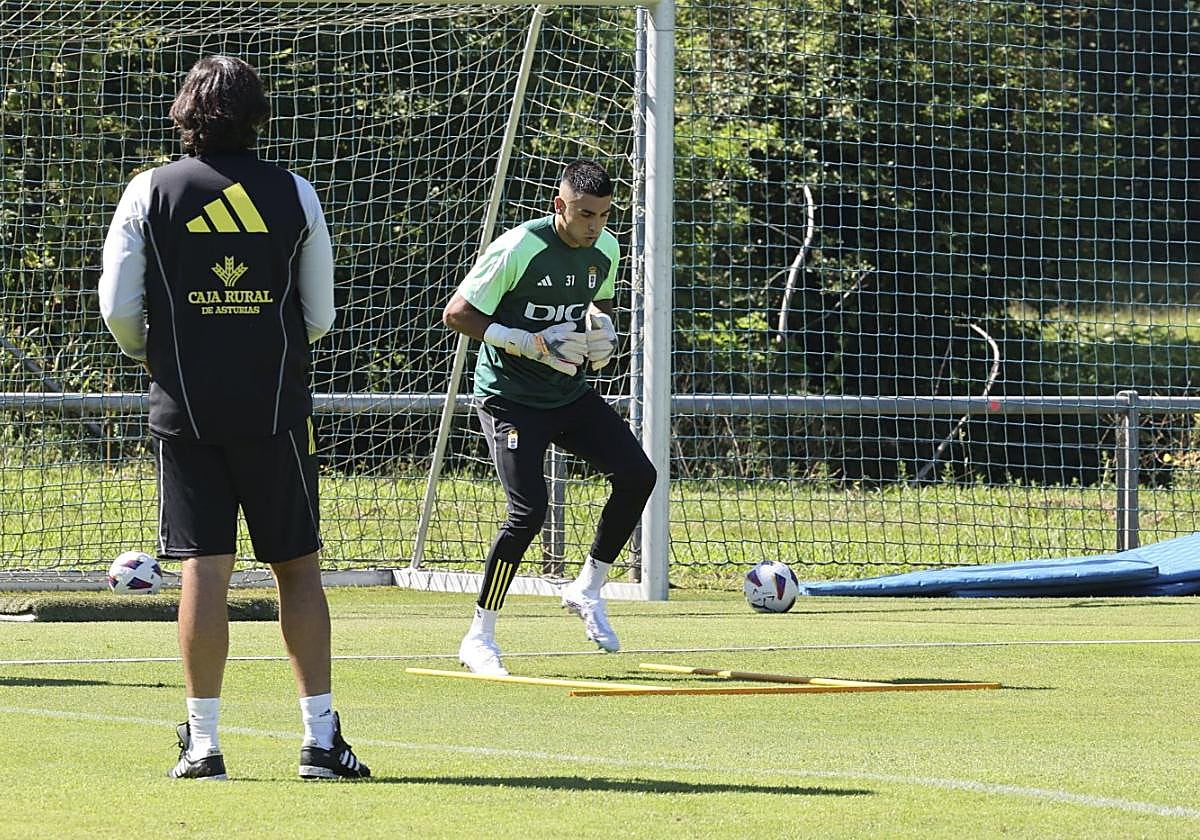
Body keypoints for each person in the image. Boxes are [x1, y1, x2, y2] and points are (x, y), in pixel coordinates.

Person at [98, 55, 369, 781]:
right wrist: (264, 347)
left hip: (184, 409)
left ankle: (205, 743)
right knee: (297, 568)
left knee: (203, 568)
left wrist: (156, 356)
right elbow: (320, 315)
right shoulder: (295, 193)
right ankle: (320, 741)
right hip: (277, 408)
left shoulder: (147, 190)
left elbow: (118, 308)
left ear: (184, 114)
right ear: (258, 117)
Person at [442, 159, 657, 676]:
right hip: (510, 399)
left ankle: (588, 588)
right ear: (559, 205)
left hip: (567, 393)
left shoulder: (604, 248)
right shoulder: (519, 247)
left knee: (638, 475)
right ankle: (480, 636)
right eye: (585, 214)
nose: (594, 226)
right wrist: (527, 343)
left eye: (604, 216)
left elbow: (595, 308)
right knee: (529, 512)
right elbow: (457, 314)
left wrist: (601, 336)